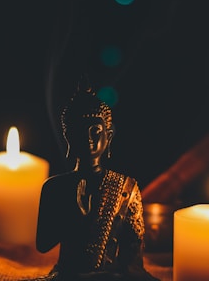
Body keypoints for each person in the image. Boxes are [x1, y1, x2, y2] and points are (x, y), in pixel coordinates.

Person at [36, 75, 160, 281]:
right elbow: (42, 245)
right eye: (79, 131)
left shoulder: (126, 187)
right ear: (68, 136)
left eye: (96, 131)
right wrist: (75, 215)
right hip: (68, 275)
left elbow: (133, 253)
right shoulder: (54, 187)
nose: (89, 139)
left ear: (108, 136)